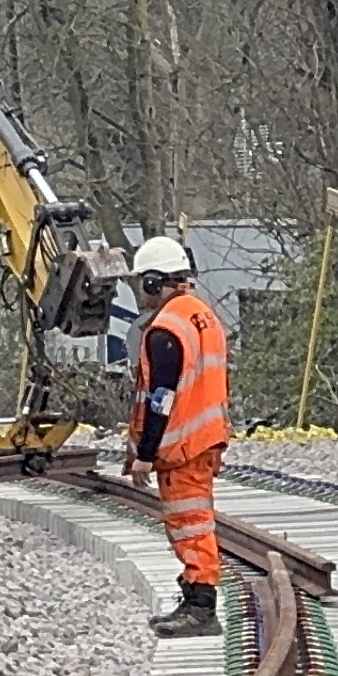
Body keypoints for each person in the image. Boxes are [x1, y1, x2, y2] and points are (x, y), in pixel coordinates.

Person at [123, 235, 230, 637]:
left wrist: (145, 453)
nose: (140, 291)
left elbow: (161, 398)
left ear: (154, 281)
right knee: (195, 521)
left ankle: (201, 607)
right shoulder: (202, 316)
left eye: (141, 283)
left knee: (190, 524)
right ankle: (193, 594)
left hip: (183, 445)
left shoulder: (165, 330)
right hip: (206, 436)